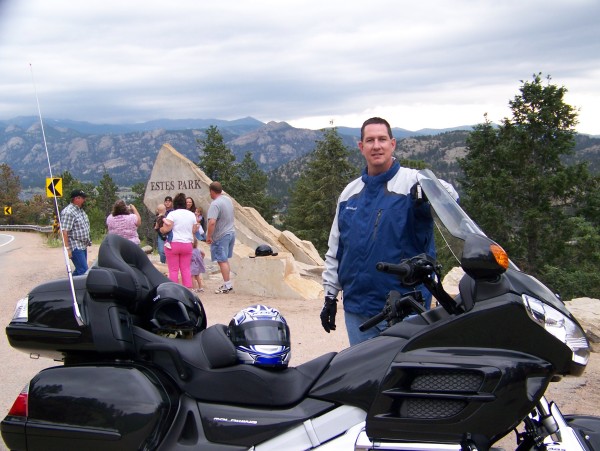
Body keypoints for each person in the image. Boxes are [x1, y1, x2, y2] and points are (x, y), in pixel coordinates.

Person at [320, 117, 458, 346]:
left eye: (382, 139)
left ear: (392, 144)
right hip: (358, 310)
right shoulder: (349, 194)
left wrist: (428, 190)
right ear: (361, 146)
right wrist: (329, 296)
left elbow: (450, 196)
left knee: (405, 368)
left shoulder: (413, 181)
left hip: (407, 307)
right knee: (365, 368)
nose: (376, 146)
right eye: (370, 140)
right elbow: (336, 249)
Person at [159, 193, 199, 288]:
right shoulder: (191, 215)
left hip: (173, 244)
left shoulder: (172, 214)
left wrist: (161, 229)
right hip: (187, 244)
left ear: (175, 203)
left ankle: (174, 290)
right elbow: (194, 230)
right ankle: (188, 289)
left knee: (173, 270)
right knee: (186, 269)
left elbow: (167, 228)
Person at [206, 181, 236, 294]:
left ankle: (227, 285)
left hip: (220, 235)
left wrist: (209, 236)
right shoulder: (227, 200)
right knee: (225, 260)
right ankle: (227, 283)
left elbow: (212, 222)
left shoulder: (215, 204)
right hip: (230, 232)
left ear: (212, 191)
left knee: (221, 260)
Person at [61, 189, 92, 276]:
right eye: (82, 198)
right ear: (76, 199)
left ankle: (69, 283)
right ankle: (75, 284)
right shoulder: (68, 212)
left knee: (80, 270)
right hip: (75, 245)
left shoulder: (80, 210)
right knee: (83, 270)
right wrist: (67, 249)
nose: (84, 200)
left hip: (82, 245)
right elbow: (64, 231)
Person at [156, 196, 173, 263]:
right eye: (166, 201)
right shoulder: (160, 212)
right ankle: (163, 263)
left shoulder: (173, 212)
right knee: (161, 251)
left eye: (169, 201)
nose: (167, 203)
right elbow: (156, 222)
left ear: (171, 203)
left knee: (171, 251)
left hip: (170, 233)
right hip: (161, 234)